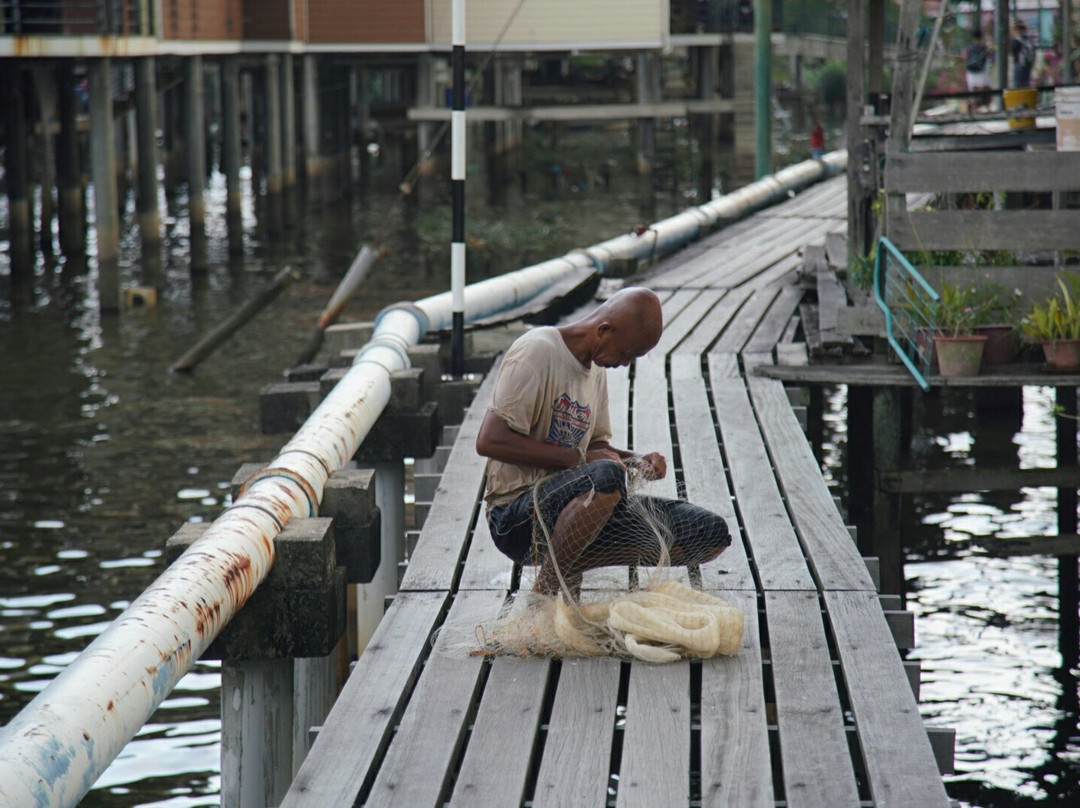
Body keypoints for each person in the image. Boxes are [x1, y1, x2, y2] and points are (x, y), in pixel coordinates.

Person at [475, 287, 731, 597]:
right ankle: (544, 595)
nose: (624, 364)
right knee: (608, 478)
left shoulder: (594, 369)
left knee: (710, 533)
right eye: (625, 354)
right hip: (517, 519)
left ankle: (566, 563)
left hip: (582, 515)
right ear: (604, 330)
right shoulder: (537, 351)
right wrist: (582, 462)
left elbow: (594, 449)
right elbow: (489, 440)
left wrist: (636, 459)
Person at [964, 29, 992, 110]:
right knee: (984, 88)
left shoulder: (969, 47)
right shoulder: (983, 47)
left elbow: (965, 57)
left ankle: (974, 107)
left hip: (971, 71)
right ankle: (987, 106)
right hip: (982, 70)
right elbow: (987, 56)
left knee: (973, 89)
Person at [1011, 20, 1035, 88]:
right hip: (1028, 63)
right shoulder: (1029, 40)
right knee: (1026, 82)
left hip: (1019, 63)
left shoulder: (1016, 40)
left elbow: (1014, 52)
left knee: (1018, 83)